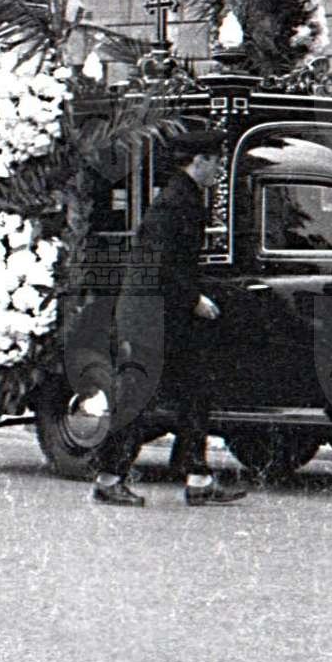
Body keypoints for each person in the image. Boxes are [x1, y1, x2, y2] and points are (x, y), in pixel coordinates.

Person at [90, 129, 247, 508]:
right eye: (215, 163)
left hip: (165, 315)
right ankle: (108, 479)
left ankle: (198, 478)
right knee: (139, 398)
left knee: (195, 392)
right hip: (151, 317)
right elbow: (158, 264)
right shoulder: (176, 202)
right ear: (199, 161)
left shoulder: (184, 197)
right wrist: (194, 300)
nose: (218, 171)